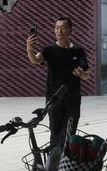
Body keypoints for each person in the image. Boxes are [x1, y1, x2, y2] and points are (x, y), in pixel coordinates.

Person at [26, 17, 90, 149]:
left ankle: (65, 162)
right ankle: (54, 164)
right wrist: (29, 48)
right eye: (56, 28)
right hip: (54, 98)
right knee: (55, 132)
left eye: (63, 27)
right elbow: (36, 60)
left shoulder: (78, 51)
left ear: (70, 30)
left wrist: (82, 74)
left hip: (73, 97)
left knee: (69, 132)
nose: (59, 31)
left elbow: (86, 74)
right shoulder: (49, 50)